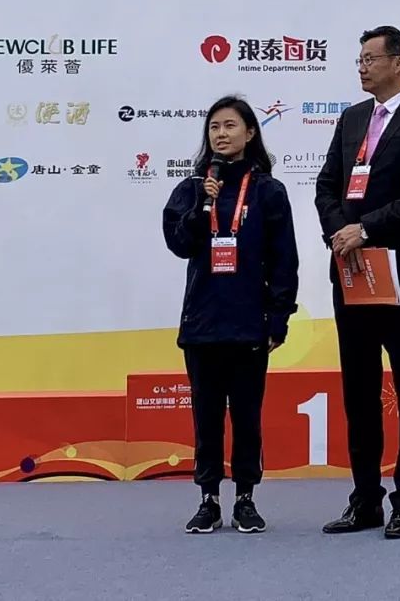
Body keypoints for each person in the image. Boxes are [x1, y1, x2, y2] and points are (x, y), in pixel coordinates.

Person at [314, 25, 400, 539]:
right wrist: (340, 233)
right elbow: (327, 184)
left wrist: (367, 228)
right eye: (359, 59)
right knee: (358, 391)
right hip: (352, 273)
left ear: (398, 62)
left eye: (370, 58)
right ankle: (365, 499)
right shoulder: (352, 118)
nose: (362, 67)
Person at [162, 95, 299, 534]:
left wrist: (279, 318)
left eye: (230, 125)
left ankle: (245, 498)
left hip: (249, 322)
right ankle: (208, 499)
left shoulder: (268, 191)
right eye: (214, 127)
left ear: (250, 133)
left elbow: (284, 260)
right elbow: (179, 244)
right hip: (202, 322)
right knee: (205, 417)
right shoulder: (191, 188)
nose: (221, 134)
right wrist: (201, 209)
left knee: (246, 416)